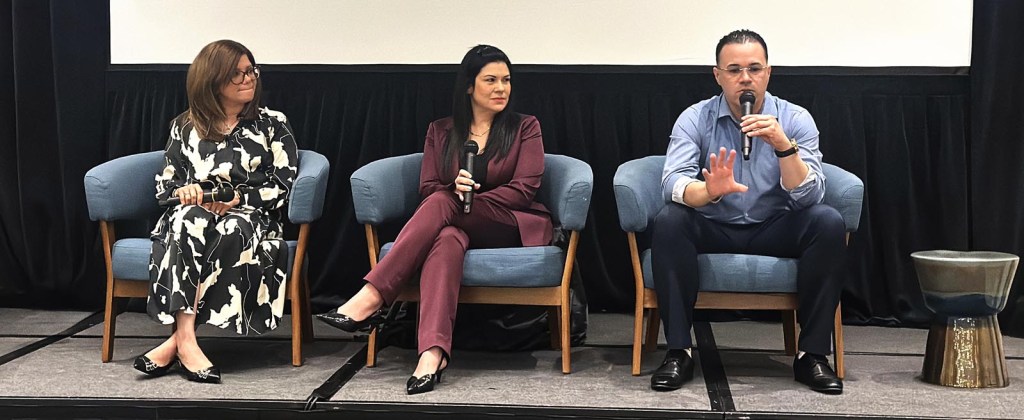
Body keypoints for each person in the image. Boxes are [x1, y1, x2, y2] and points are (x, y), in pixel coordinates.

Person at [317, 44, 552, 395]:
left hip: (509, 223)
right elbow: (427, 188)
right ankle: (432, 353)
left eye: (506, 80)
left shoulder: (525, 127)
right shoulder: (441, 131)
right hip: (455, 223)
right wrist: (454, 191)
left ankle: (373, 295)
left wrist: (463, 201)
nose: (501, 88)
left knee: (445, 203)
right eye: (490, 80)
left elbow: (524, 190)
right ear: (469, 86)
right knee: (446, 238)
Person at [651, 29, 846, 394]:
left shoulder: (795, 118)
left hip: (775, 226)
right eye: (734, 70)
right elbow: (672, 183)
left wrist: (783, 146)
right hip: (713, 224)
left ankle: (812, 355)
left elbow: (811, 195)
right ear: (718, 75)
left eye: (754, 69)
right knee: (669, 221)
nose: (745, 78)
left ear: (768, 73)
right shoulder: (694, 118)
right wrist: (708, 191)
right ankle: (679, 351)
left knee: (828, 222)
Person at [135, 40, 299, 384]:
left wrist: (238, 198)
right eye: (237, 74)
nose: (248, 79)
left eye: (251, 71)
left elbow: (283, 186)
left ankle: (177, 342)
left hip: (250, 216)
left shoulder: (272, 124)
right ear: (212, 81)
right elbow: (165, 186)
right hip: (194, 216)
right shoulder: (185, 126)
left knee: (231, 229)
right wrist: (185, 192)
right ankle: (187, 342)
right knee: (187, 220)